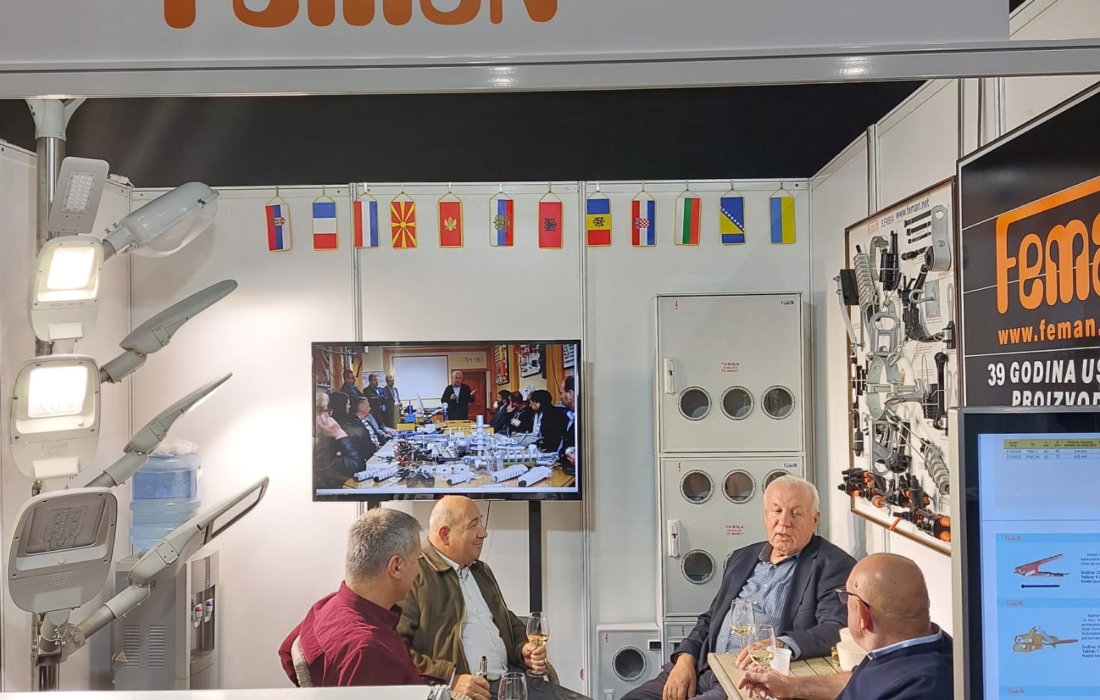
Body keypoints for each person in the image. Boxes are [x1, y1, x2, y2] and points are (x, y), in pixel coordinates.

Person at [622, 475, 856, 700]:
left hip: (750, 679)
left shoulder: (833, 565)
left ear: (815, 519)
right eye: (776, 511)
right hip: (704, 665)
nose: (784, 522)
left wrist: (781, 644)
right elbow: (709, 619)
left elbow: (835, 628)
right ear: (765, 515)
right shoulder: (743, 557)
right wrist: (685, 658)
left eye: (796, 513)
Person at [398, 496, 590, 700]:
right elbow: (396, 651)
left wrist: (523, 648)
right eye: (473, 525)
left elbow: (506, 619)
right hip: (472, 691)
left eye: (480, 522)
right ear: (445, 535)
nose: (483, 533)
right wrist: (450, 679)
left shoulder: (480, 570)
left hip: (513, 680)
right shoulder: (414, 575)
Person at [738, 553, 952, 700]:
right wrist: (792, 686)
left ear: (862, 614)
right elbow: (864, 683)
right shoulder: (918, 647)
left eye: (846, 596)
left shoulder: (923, 687)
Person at [278, 509, 437, 687]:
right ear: (396, 566)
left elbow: (286, 652)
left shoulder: (325, 605)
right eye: (417, 559)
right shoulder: (368, 651)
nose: (418, 569)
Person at [314, 391, 360, 490]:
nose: (328, 416)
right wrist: (339, 433)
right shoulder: (318, 448)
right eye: (326, 411)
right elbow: (357, 464)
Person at [557, 377, 576, 475]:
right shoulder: (567, 415)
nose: (560, 396)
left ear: (570, 394)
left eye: (561, 393)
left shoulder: (586, 418)